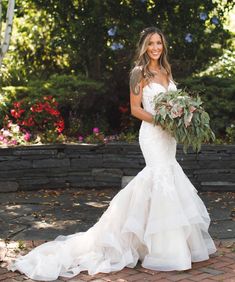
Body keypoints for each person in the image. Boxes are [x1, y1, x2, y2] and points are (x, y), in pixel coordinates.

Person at [9, 27, 216, 281]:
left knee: (168, 177)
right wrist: (161, 121)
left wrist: (181, 118)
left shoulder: (166, 70)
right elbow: (135, 109)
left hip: (168, 137)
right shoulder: (138, 73)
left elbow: (173, 103)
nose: (155, 47)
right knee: (159, 178)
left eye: (159, 43)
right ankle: (163, 253)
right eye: (151, 43)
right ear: (144, 46)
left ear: (163, 46)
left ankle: (157, 245)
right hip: (152, 134)